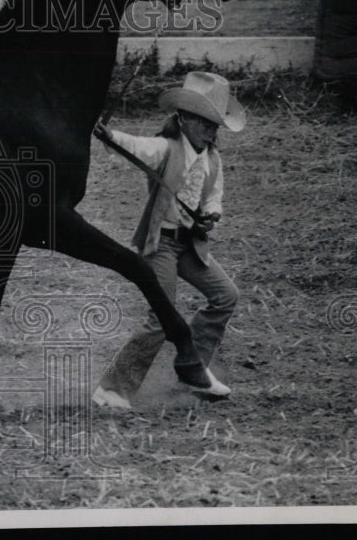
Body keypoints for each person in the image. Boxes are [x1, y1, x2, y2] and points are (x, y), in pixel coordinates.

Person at [92, 71, 246, 408]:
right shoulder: (165, 148)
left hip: (189, 245)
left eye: (216, 124)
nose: (212, 130)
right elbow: (136, 146)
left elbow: (213, 197)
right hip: (160, 243)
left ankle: (193, 369)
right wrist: (108, 134)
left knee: (226, 295)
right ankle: (112, 388)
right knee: (162, 315)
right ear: (185, 119)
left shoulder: (213, 160)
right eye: (206, 122)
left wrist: (212, 214)